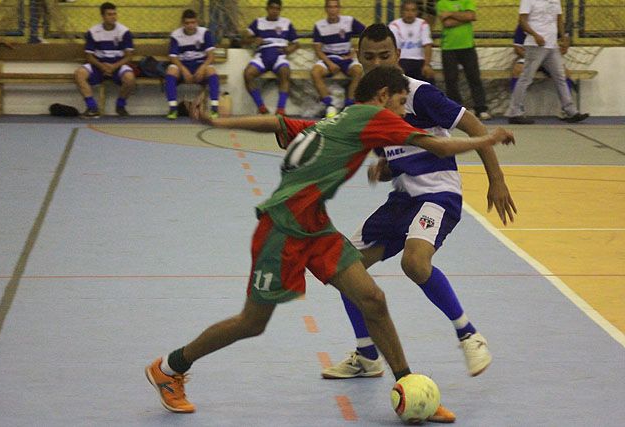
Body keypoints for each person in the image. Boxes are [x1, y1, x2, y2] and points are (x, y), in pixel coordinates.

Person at [145, 65, 515, 420]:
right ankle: (170, 368)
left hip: (316, 227)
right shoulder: (376, 117)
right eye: (402, 102)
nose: (404, 111)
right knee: (251, 323)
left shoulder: (337, 119)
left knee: (372, 298)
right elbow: (436, 146)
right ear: (384, 96)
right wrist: (489, 138)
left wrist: (217, 121)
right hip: (283, 229)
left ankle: (410, 387)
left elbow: (277, 123)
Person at [321, 26, 516, 424]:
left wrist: (497, 179)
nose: (378, 63)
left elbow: (474, 127)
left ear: (398, 53)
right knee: (344, 267)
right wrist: (386, 163)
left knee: (415, 262)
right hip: (402, 198)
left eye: (385, 55)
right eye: (370, 57)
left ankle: (468, 334)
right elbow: (399, 144)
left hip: (438, 194)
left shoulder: (419, 93)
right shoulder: (366, 102)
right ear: (359, 57)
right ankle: (367, 355)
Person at [506, 0, 589, 124]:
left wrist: (563, 37)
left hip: (552, 45)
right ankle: (514, 112)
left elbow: (559, 19)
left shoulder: (555, 0)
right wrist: (535, 35)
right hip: (535, 45)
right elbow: (522, 21)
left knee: (560, 76)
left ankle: (571, 111)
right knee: (526, 78)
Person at [74, 2, 135, 118]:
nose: (113, 17)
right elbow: (89, 56)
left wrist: (114, 66)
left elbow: (129, 56)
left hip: (117, 65)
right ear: (103, 16)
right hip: (98, 65)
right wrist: (102, 66)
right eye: (109, 14)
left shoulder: (124, 32)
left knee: (130, 78)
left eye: (115, 14)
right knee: (79, 73)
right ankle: (92, 108)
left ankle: (120, 106)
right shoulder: (93, 32)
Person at [436, 0, 490, 120]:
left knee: (474, 77)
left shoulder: (467, 1)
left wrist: (450, 13)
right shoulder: (441, 3)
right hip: (449, 47)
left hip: (467, 46)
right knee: (451, 79)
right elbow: (447, 23)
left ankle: (481, 109)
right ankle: (456, 109)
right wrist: (463, 17)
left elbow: (472, 16)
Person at [243, 0, 299, 116]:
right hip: (262, 56)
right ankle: (261, 107)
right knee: (248, 74)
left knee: (285, 72)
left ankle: (280, 110)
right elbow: (244, 40)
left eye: (277, 9)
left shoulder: (286, 23)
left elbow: (296, 43)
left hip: (279, 55)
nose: (275, 11)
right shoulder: (258, 22)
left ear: (280, 10)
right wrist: (254, 40)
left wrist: (290, 49)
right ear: (267, 9)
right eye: (272, 8)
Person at [311, 0, 365, 119]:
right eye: (330, 7)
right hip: (329, 57)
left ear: (339, 9)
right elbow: (318, 49)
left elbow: (366, 34)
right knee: (315, 72)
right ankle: (329, 106)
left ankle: (349, 105)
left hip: (346, 57)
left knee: (358, 71)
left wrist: (355, 51)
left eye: (335, 7)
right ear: (326, 9)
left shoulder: (349, 21)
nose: (333, 10)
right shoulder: (319, 25)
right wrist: (329, 63)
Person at [164, 9, 220, 120]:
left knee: (211, 71)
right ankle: (173, 109)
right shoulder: (176, 35)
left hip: (200, 65)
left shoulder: (204, 33)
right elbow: (173, 57)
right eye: (187, 23)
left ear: (197, 22)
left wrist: (202, 68)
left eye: (193, 22)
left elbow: (211, 56)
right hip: (183, 65)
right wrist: (184, 70)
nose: (190, 25)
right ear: (183, 23)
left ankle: (214, 108)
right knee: (171, 70)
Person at [389, 0, 435, 85]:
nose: (410, 13)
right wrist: (396, 65)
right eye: (407, 10)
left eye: (413, 10)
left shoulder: (423, 24)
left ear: (417, 12)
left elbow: (427, 45)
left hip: (419, 61)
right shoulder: (394, 25)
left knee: (429, 77)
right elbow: (393, 48)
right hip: (401, 61)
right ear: (402, 12)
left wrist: (427, 65)